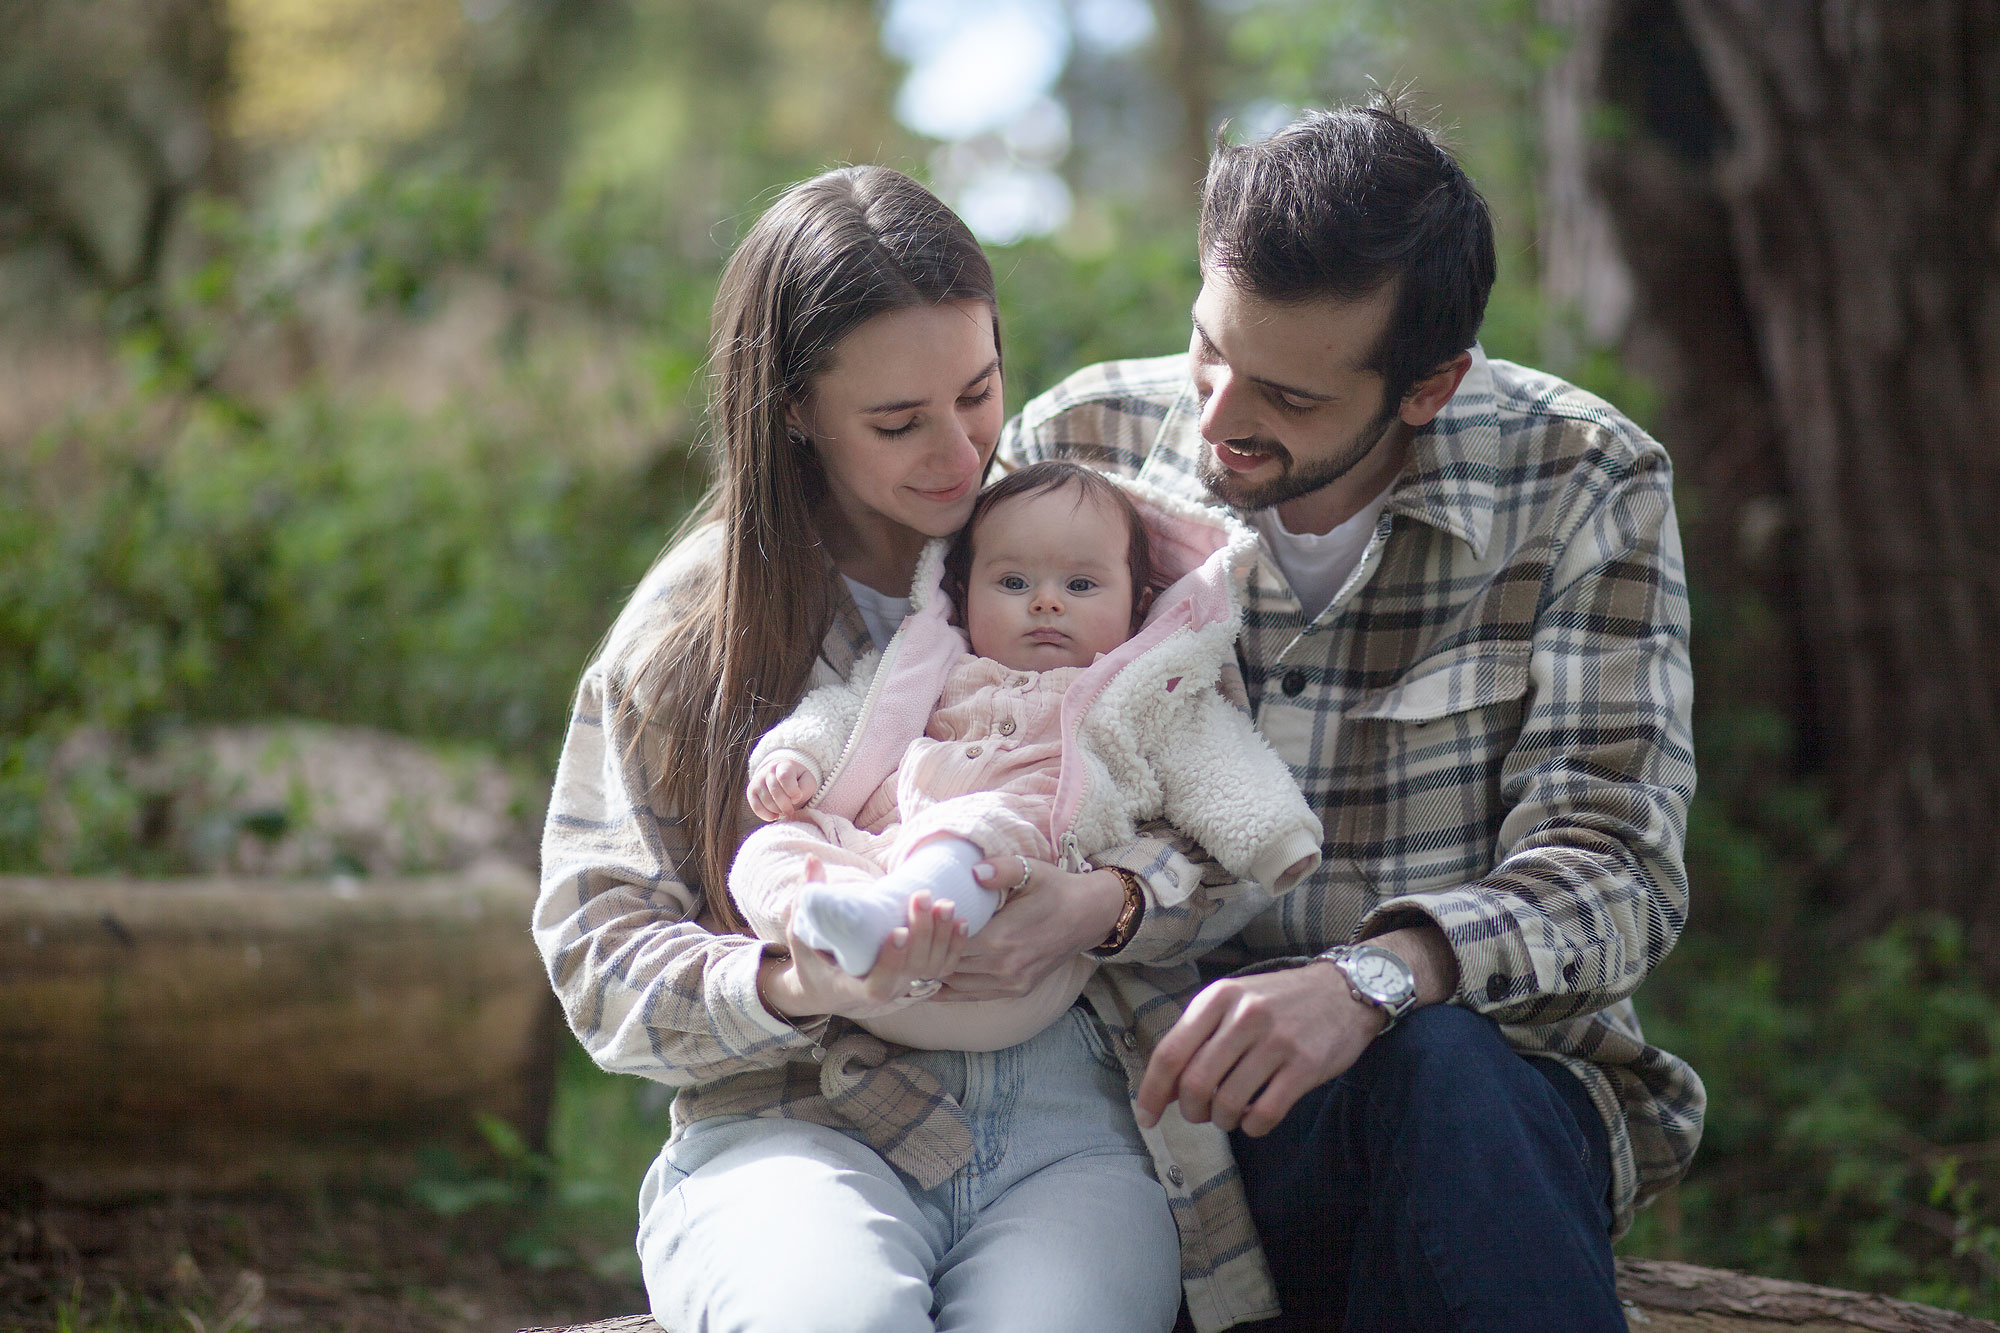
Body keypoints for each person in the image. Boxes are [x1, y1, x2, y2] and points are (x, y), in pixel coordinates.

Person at [534, 165, 1289, 1333]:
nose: (957, 451)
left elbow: (1223, 822)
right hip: (796, 1123)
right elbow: (596, 954)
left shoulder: (1080, 551)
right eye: (897, 422)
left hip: (1068, 1121)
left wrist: (1104, 904)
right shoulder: (691, 632)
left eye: (978, 393)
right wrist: (795, 981)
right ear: (793, 410)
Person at [997, 95, 1704, 1331]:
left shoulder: (1583, 482)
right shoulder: (1073, 448)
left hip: (1474, 1109)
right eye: (1207, 349)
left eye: (1286, 397)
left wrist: (1378, 976)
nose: (1216, 416)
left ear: (1427, 386)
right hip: (1148, 1119)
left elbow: (1618, 867)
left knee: (1436, 1065)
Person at [731, 460, 1323, 1053]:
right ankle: (834, 921)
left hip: (1003, 946)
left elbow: (1221, 763)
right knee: (770, 845)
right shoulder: (931, 664)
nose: (1045, 603)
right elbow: (848, 713)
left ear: (1138, 606)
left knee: (979, 825)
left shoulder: (1140, 693)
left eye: (1080, 586)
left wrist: (1278, 840)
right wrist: (795, 756)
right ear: (963, 593)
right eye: (1014, 583)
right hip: (864, 932)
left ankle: (891, 920)